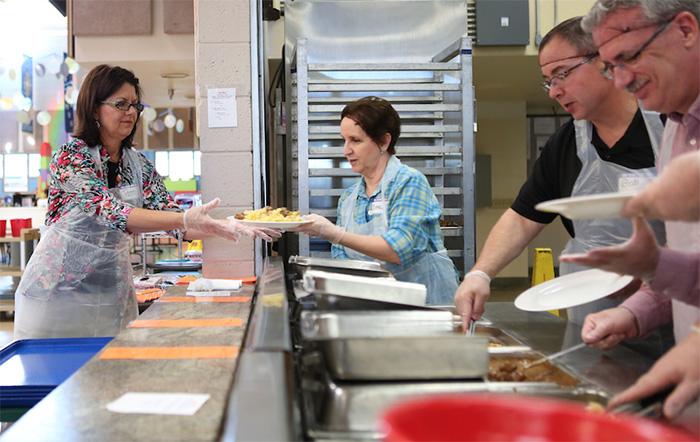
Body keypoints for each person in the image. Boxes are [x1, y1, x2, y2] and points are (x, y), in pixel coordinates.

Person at [14, 65, 280, 339]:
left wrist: (231, 225)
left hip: (110, 295)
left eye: (134, 105)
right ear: (94, 109)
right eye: (120, 104)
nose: (130, 112)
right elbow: (110, 210)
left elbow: (178, 224)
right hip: (56, 295)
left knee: (108, 377)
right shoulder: (70, 157)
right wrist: (184, 219)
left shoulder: (138, 164)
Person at [454, 16, 665, 328]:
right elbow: (523, 216)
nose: (553, 91)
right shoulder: (566, 144)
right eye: (548, 80)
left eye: (561, 74)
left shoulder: (670, 126)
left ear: (605, 62)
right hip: (593, 309)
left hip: (673, 305)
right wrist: (481, 273)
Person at [578, 0, 700, 419]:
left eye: (629, 56)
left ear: (686, 29)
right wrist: (636, 310)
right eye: (611, 67)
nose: (622, 80)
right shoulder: (676, 128)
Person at [292, 96, 458, 305]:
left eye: (356, 140)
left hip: (426, 310)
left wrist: (334, 233)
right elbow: (343, 260)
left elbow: (398, 250)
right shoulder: (350, 198)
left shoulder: (409, 183)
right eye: (344, 140)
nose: (346, 150)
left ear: (384, 141)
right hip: (373, 309)